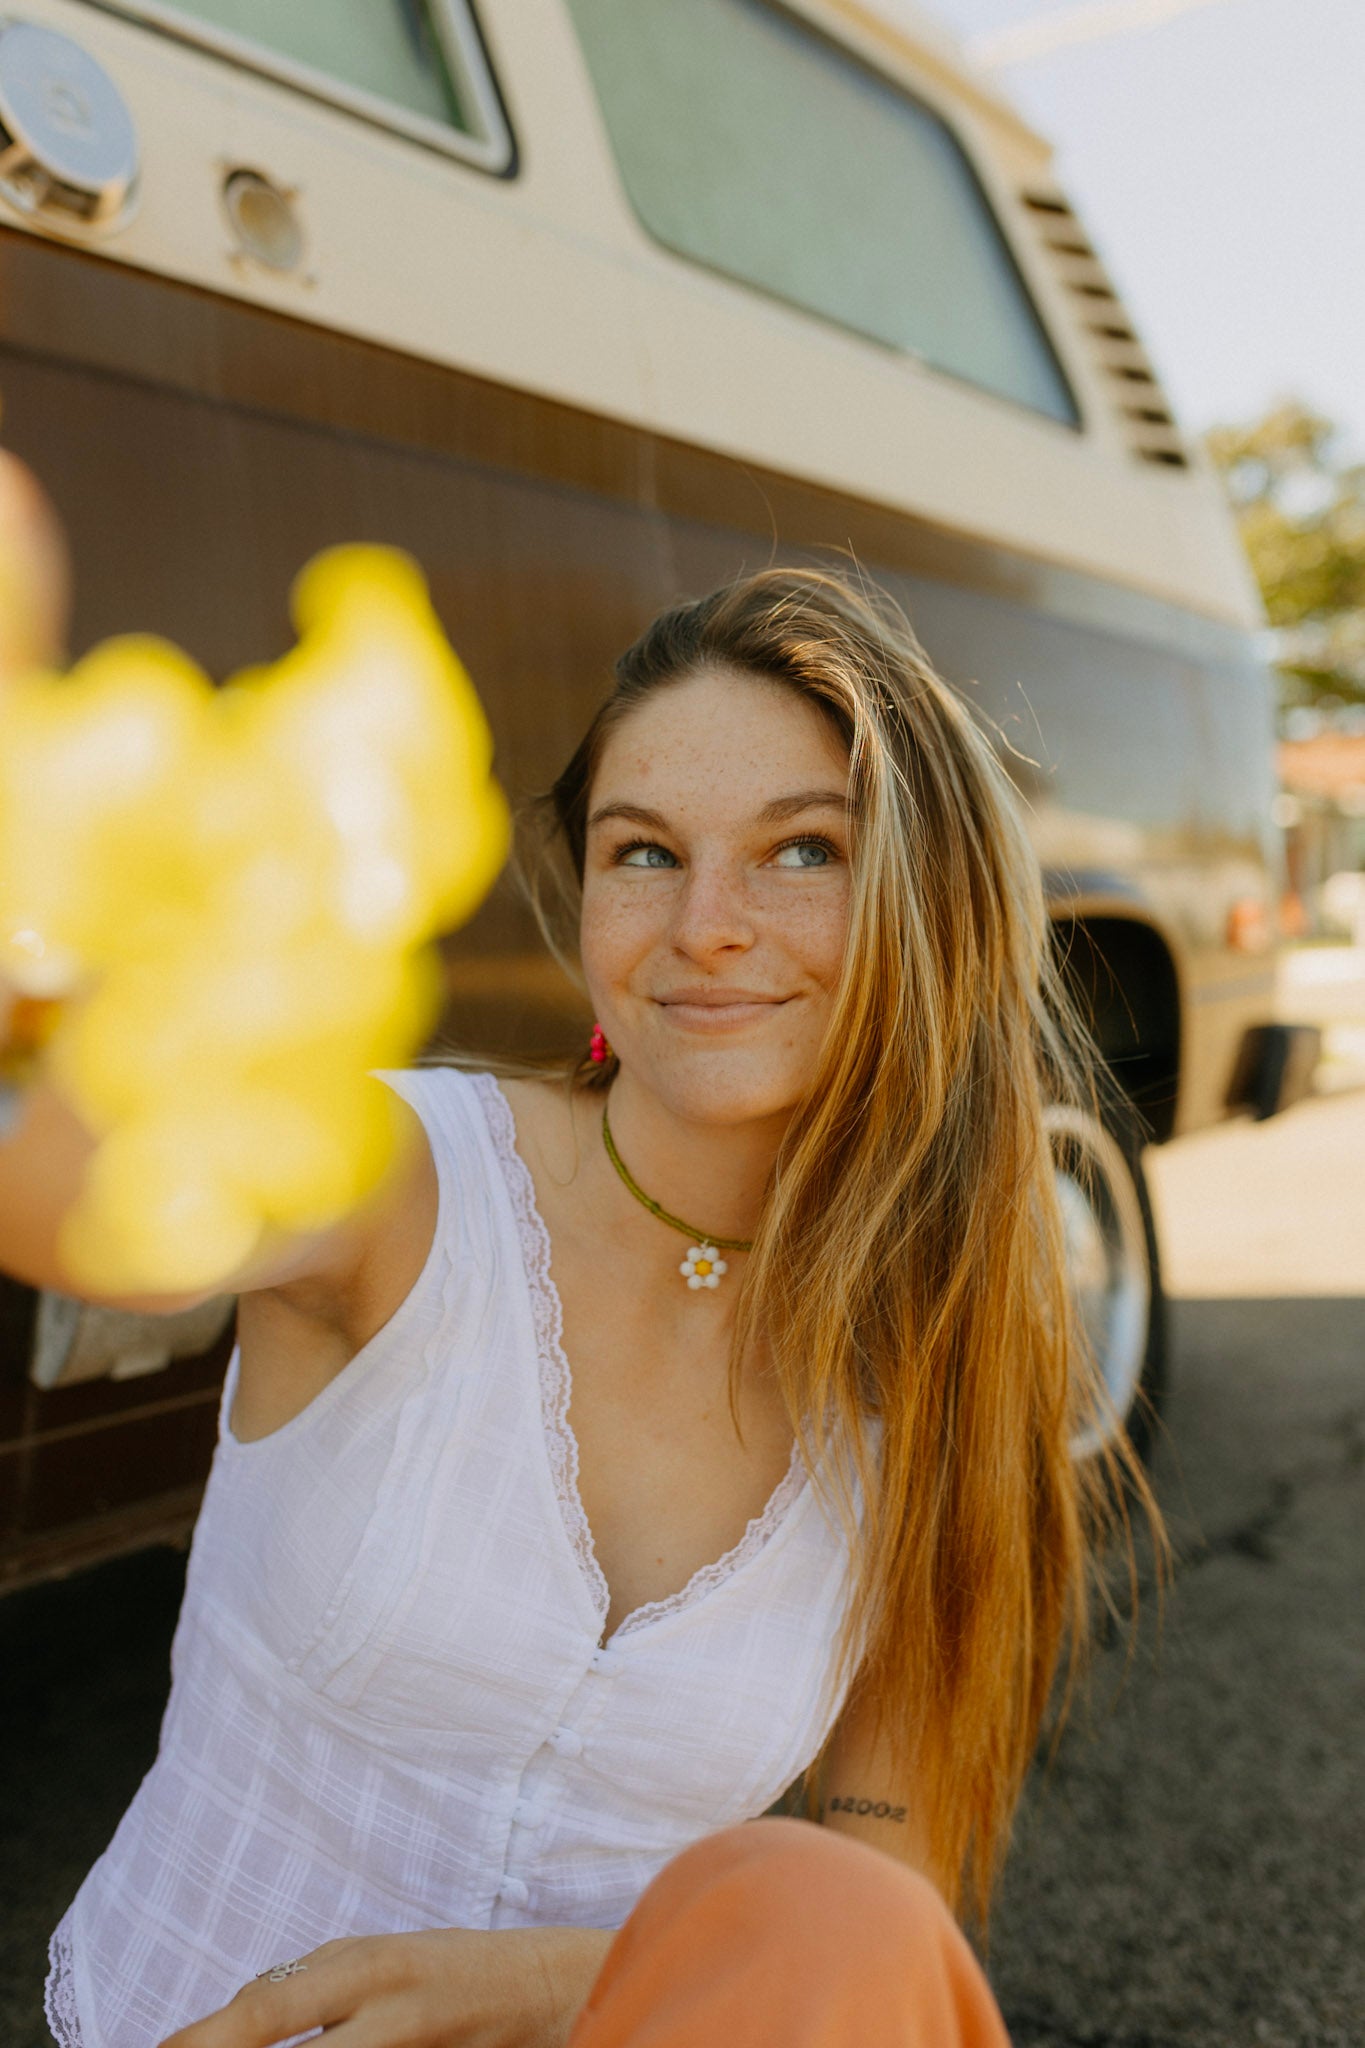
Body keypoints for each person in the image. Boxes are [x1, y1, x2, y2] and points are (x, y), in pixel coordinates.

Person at [1, 557, 1148, 2047]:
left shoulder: (946, 1342)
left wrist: (562, 1983)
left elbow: (879, 1887)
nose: (707, 925)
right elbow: (102, 1210)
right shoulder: (405, 1180)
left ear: (931, 902)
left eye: (801, 851)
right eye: (644, 852)